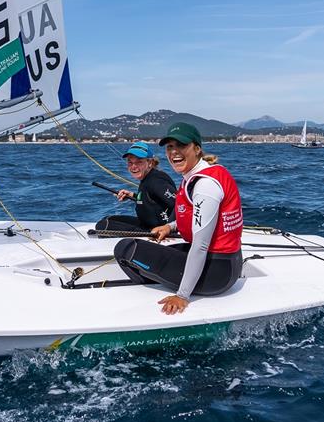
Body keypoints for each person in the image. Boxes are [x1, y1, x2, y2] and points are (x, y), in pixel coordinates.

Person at [113, 123, 243, 315]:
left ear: (197, 149)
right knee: (158, 250)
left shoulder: (205, 185)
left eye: (181, 146)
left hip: (217, 273)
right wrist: (170, 226)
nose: (174, 152)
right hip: (225, 263)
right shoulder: (200, 174)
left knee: (125, 249)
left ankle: (148, 295)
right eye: (169, 147)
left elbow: (200, 245)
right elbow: (194, 215)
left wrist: (182, 296)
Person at [95, 141, 176, 233]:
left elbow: (179, 204)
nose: (133, 166)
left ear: (149, 162)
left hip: (155, 229)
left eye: (139, 162)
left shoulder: (156, 181)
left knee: (103, 226)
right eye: (130, 162)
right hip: (147, 224)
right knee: (107, 219)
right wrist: (132, 195)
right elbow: (153, 200)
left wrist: (168, 227)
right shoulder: (147, 178)